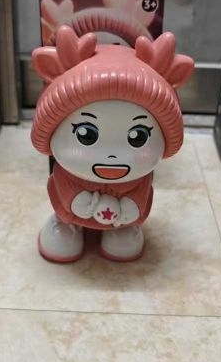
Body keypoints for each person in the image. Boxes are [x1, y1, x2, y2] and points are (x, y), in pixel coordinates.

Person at [30, 25, 193, 262]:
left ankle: (122, 231)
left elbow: (140, 196)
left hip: (123, 214)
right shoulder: (70, 173)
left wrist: (128, 209)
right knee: (65, 225)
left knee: (124, 239)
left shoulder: (139, 177)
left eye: (137, 137)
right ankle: (67, 226)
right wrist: (84, 204)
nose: (112, 156)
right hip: (73, 209)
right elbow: (65, 190)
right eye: (86, 135)